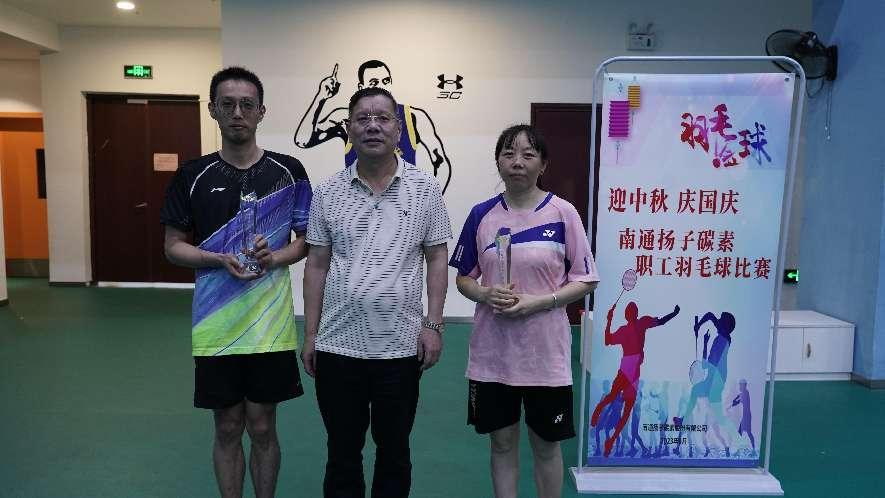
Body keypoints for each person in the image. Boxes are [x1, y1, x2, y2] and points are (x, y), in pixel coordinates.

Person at [160, 66, 312, 498]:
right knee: (227, 424)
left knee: (262, 424)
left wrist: (274, 257)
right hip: (215, 325)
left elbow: (307, 242)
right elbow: (173, 247)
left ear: (262, 111)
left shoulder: (289, 171)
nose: (238, 113)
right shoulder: (192, 175)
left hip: (270, 324)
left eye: (247, 104)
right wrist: (217, 258)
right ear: (213, 110)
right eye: (227, 104)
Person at [301, 86, 452, 498]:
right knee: (342, 453)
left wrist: (433, 324)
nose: (372, 126)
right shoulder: (328, 191)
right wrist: (311, 335)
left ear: (398, 129)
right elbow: (316, 265)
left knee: (395, 452)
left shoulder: (425, 189)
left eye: (382, 118)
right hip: (338, 345)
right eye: (363, 118)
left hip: (400, 348)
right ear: (349, 128)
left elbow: (437, 257)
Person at [449, 124, 599, 498]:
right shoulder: (481, 215)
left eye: (528, 155)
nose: (517, 162)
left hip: (545, 356)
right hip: (493, 356)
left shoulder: (563, 213)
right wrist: (485, 294)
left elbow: (586, 280)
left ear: (543, 165)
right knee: (501, 444)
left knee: (546, 445)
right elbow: (464, 278)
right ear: (498, 162)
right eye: (508, 153)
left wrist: (541, 301)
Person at [294, 59, 453, 192]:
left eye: (386, 81)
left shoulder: (412, 116)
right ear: (361, 87)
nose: (381, 86)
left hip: (403, 205)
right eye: (374, 82)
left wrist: (427, 199)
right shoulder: (347, 117)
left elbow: (441, 163)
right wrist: (321, 97)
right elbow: (303, 140)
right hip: (358, 205)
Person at [590, 300, 680, 457]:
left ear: (627, 315)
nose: (633, 312)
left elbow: (607, 340)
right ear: (635, 314)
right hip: (632, 369)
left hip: (629, 367)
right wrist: (674, 313)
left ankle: (606, 429)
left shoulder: (627, 329)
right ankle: (610, 436)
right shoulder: (641, 323)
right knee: (625, 410)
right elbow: (661, 321)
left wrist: (609, 320)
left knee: (616, 399)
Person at [673, 311, 740, 457]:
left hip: (716, 380)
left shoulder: (722, 340)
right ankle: (684, 420)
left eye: (720, 320)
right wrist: (701, 332)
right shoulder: (722, 336)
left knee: (717, 414)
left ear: (725, 326)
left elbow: (707, 364)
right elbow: (710, 315)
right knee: (699, 394)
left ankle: (735, 435)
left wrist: (699, 326)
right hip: (714, 379)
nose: (717, 321)